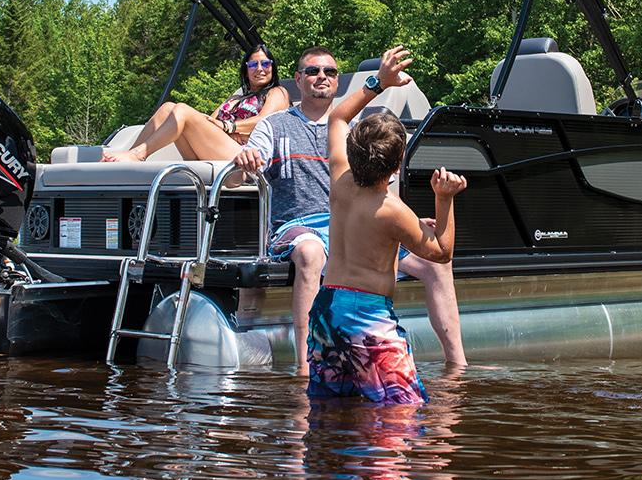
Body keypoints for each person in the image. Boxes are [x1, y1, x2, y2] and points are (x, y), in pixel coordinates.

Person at [233, 45, 468, 375]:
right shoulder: (275, 126)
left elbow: (379, 194)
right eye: (313, 71)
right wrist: (244, 161)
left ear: (338, 81)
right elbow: (238, 174)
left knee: (436, 264)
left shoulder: (356, 129)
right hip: (298, 225)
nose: (321, 77)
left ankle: (458, 364)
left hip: (353, 225)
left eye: (329, 72)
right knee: (312, 252)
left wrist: (406, 224)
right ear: (297, 80)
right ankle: (304, 367)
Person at [307, 44, 466, 404]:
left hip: (327, 311)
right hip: (368, 319)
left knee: (333, 408)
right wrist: (445, 199)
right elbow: (441, 252)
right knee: (403, 412)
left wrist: (379, 81)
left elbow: (336, 118)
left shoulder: (340, 181)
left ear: (352, 151)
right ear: (396, 168)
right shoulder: (391, 209)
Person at [102, 45, 286, 162]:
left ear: (272, 67)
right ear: (246, 70)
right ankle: (132, 155)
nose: (260, 69)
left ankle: (138, 155)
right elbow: (208, 122)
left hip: (243, 156)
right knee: (168, 108)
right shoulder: (235, 99)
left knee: (182, 109)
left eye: (265, 64)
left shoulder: (277, 92)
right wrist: (224, 128)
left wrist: (229, 126)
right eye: (253, 65)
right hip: (214, 150)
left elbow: (265, 122)